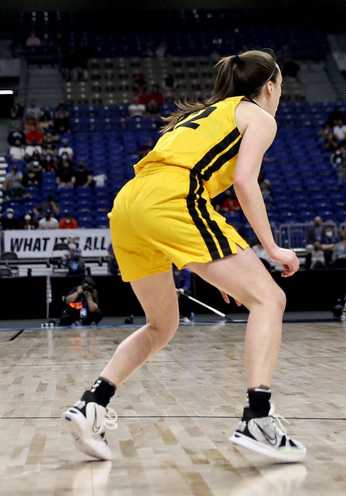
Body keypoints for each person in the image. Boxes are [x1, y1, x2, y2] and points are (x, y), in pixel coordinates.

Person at [62, 50, 306, 463]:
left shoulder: (209, 113)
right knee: (271, 299)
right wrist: (271, 246)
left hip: (129, 204)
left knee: (162, 325)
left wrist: (225, 272)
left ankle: (93, 403)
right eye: (281, 83)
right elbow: (245, 182)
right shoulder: (259, 117)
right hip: (173, 198)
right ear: (270, 86)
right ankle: (259, 419)